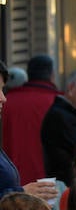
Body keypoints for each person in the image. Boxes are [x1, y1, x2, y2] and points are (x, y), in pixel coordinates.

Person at [0, 60, 59, 202]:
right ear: (52, 75)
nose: (3, 98)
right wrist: (21, 193)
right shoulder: (54, 101)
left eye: (3, 90)